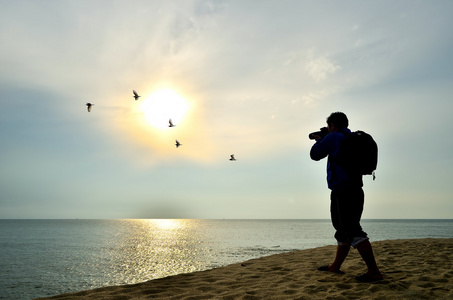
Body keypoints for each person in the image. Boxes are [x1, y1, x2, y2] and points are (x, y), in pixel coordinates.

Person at [310, 112, 383, 282]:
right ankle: (335, 266)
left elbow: (315, 155)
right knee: (343, 229)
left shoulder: (334, 137)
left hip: (344, 191)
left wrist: (320, 139)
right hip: (354, 189)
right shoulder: (349, 137)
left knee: (352, 229)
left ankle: (374, 271)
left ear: (333, 126)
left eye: (329, 126)